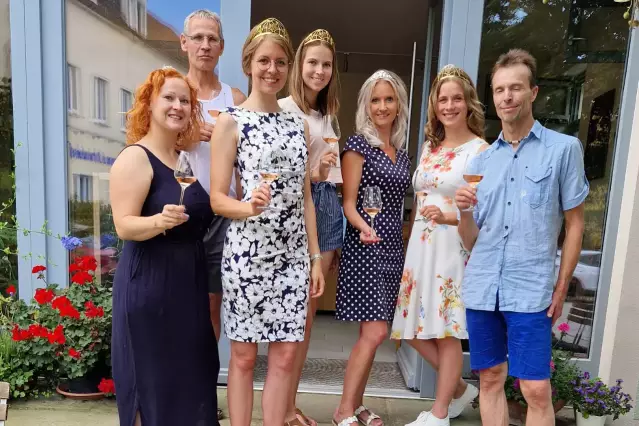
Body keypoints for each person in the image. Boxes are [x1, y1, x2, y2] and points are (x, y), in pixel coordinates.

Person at [455, 49, 588, 426]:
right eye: (499, 90)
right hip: (483, 287)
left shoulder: (563, 151)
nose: (507, 97)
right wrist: (464, 211)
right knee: (490, 378)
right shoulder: (481, 161)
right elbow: (471, 241)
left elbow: (575, 223)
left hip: (531, 289)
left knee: (535, 389)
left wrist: (562, 285)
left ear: (533, 92)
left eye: (515, 88)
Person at [209, 18, 325, 426]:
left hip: (293, 257)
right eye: (263, 61)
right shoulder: (231, 121)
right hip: (247, 256)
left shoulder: (300, 124)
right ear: (248, 63)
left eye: (279, 61)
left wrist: (314, 257)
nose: (272, 69)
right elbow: (218, 198)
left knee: (287, 354)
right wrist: (247, 207)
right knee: (243, 356)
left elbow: (306, 198)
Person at [110, 67, 219, 426]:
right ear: (150, 103)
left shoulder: (181, 159)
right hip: (150, 287)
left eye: (184, 100)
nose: (177, 106)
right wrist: (159, 221)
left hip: (187, 288)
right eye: (168, 98)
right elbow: (123, 225)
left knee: (191, 378)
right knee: (153, 384)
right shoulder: (135, 158)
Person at [390, 65, 486, 426]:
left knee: (446, 330)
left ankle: (440, 412)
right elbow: (425, 193)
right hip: (421, 248)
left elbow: (482, 212)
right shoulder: (431, 146)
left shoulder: (480, 151)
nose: (449, 105)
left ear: (468, 103)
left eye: (456, 98)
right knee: (411, 329)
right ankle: (460, 390)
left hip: (451, 248)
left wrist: (447, 216)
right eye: (443, 99)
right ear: (435, 104)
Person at [333, 70, 411, 426]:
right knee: (375, 332)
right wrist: (365, 227)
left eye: (389, 99)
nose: (382, 106)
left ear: (398, 105)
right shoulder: (356, 145)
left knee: (377, 332)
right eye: (375, 99)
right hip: (365, 246)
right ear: (366, 104)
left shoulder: (403, 154)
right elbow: (349, 203)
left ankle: (358, 405)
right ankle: (343, 411)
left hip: (394, 248)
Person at [278, 28, 341, 426]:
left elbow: (330, 173)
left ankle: (290, 405)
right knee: (292, 318)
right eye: (313, 62)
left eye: (326, 64)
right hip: (300, 210)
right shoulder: (283, 109)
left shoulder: (327, 114)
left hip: (329, 208)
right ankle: (282, 408)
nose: (319, 70)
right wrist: (313, 175)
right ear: (299, 65)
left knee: (307, 318)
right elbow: (286, 176)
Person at [180, 8, 246, 340]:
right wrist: (185, 138)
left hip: (222, 214)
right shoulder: (174, 95)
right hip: (180, 209)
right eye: (198, 38)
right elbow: (144, 143)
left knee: (211, 303)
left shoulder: (234, 99)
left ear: (221, 47)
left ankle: (203, 383)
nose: (205, 45)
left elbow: (246, 162)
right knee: (178, 300)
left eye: (212, 39)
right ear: (184, 43)